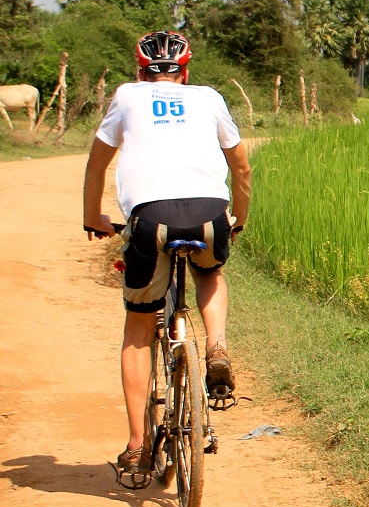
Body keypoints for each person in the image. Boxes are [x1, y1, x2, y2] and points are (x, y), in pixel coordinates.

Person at [81, 31, 252, 483]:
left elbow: (97, 164)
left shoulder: (127, 96)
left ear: (140, 72)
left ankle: (137, 447)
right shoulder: (209, 97)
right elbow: (241, 166)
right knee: (210, 274)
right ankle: (215, 345)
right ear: (186, 72)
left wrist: (92, 217)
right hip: (210, 214)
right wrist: (240, 218)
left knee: (139, 326)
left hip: (151, 218)